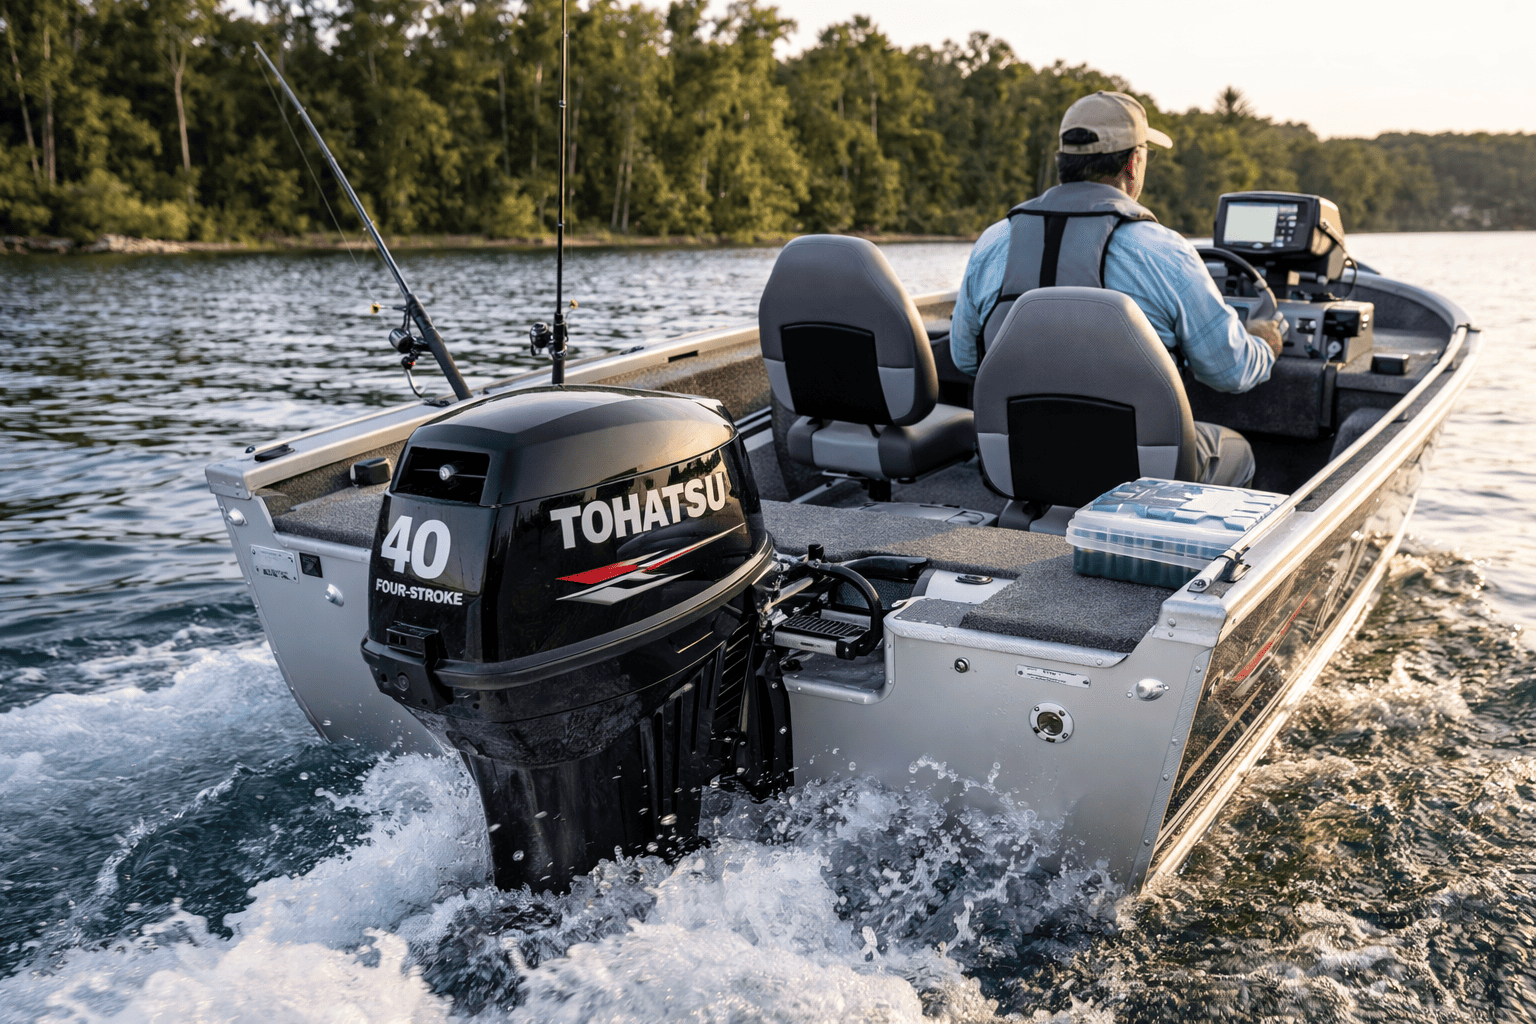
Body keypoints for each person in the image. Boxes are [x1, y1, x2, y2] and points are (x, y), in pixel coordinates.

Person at [950, 90, 1284, 488]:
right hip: (1138, 477)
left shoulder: (992, 243)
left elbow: (966, 359)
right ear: (1133, 161)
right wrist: (1267, 341)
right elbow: (1231, 371)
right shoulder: (1164, 251)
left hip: (1018, 461)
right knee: (1238, 451)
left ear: (1064, 162)